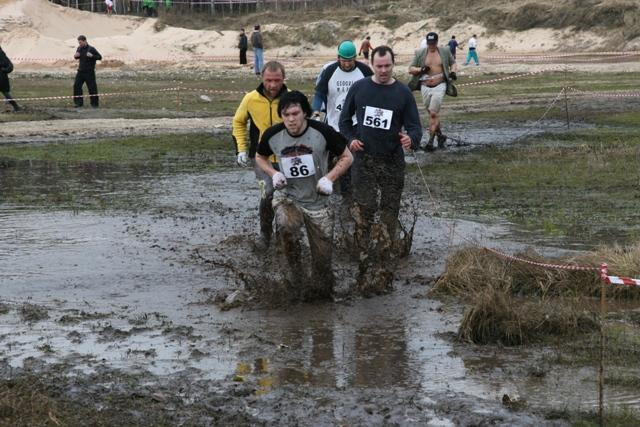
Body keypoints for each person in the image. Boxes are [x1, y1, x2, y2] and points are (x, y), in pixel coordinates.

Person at [339, 46, 422, 295]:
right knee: (364, 208)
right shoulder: (360, 88)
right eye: (379, 66)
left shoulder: (403, 92)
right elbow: (344, 121)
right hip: (364, 160)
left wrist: (411, 140)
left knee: (390, 208)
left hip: (392, 161)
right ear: (372, 64)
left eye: (387, 66)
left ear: (393, 65)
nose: (383, 70)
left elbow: (415, 127)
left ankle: (385, 255)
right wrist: (351, 139)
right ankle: (362, 253)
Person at [256, 91, 353, 300]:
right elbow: (259, 156)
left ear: (305, 113)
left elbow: (347, 156)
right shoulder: (272, 135)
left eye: (295, 114)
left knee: (322, 263)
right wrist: (274, 173)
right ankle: (295, 276)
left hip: (318, 201)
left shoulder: (323, 132)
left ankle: (320, 292)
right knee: (286, 225)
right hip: (288, 197)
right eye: (285, 115)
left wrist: (330, 178)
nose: (291, 119)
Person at [232, 61, 288, 249]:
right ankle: (265, 234)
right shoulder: (250, 99)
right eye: (268, 80)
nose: (272, 85)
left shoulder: (292, 97)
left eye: (277, 80)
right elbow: (238, 122)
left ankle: (285, 235)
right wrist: (241, 148)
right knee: (268, 194)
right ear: (262, 78)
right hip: (261, 158)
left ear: (283, 79)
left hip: (288, 157)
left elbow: (306, 123)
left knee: (288, 197)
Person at [312, 40, 372, 208]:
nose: (347, 64)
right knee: (331, 159)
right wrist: (316, 110)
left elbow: (374, 92)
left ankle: (350, 197)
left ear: (355, 58)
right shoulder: (329, 70)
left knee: (354, 160)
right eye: (343, 60)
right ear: (338, 57)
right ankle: (329, 189)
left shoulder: (364, 71)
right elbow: (320, 94)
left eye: (350, 60)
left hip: (355, 125)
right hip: (333, 124)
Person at [408, 32, 457, 150]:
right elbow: (410, 69)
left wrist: (453, 72)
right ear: (427, 42)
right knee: (431, 114)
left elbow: (453, 63)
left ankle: (430, 141)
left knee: (433, 113)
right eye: (429, 43)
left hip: (440, 85)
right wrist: (421, 69)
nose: (431, 45)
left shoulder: (444, 52)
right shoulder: (420, 53)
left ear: (437, 42)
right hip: (425, 86)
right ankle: (440, 136)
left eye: (433, 43)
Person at [73, 35, 102, 108]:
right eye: (79, 43)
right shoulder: (79, 48)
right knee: (76, 86)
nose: (79, 44)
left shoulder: (91, 49)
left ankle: (95, 104)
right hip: (80, 72)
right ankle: (78, 103)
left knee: (92, 88)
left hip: (89, 72)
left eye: (80, 42)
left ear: (85, 41)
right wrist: (75, 56)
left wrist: (92, 56)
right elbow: (76, 57)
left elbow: (99, 57)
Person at [0, 45, 20, 112]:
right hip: (2, 76)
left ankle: (16, 107)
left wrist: (4, 70)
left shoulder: (1, 55)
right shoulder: (2, 54)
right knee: (6, 93)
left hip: (1, 77)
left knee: (6, 93)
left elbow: (9, 66)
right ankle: (16, 107)